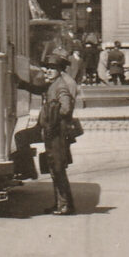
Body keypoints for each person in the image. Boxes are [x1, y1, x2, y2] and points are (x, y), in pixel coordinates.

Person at [11, 54, 79, 215]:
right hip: (48, 130)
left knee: (57, 169)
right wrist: (21, 83)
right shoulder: (52, 84)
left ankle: (65, 205)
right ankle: (59, 203)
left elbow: (66, 109)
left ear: (60, 70)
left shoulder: (61, 87)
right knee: (23, 138)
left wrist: (51, 116)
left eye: (52, 68)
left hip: (56, 133)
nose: (48, 70)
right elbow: (38, 89)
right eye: (47, 68)